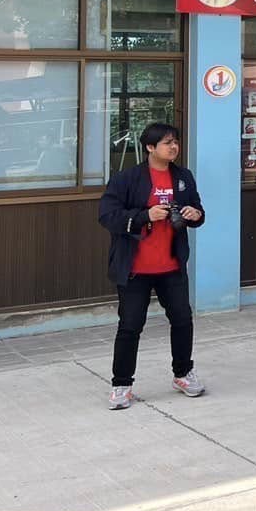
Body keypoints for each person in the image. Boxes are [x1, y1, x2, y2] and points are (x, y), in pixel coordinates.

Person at [97, 123, 206, 409]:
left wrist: (195, 214)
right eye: (167, 143)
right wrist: (145, 215)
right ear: (150, 147)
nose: (174, 147)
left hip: (171, 266)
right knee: (130, 326)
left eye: (176, 142)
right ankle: (122, 384)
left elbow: (196, 210)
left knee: (182, 319)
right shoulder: (126, 179)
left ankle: (182, 373)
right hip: (136, 269)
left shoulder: (183, 176)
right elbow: (108, 216)